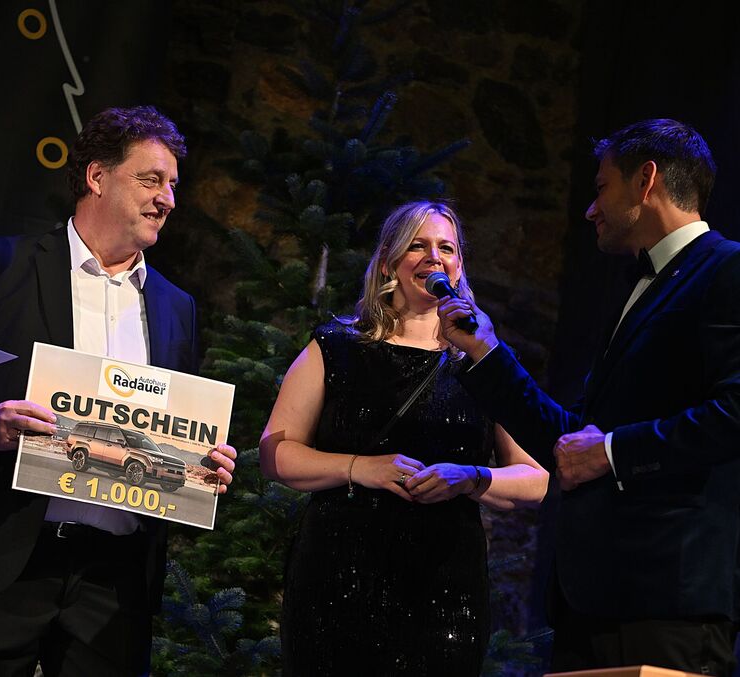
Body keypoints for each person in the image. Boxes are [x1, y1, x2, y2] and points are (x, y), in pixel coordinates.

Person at [0, 105, 237, 676]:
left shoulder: (176, 306)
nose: (167, 199)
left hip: (116, 579)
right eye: (151, 180)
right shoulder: (2, 264)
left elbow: (172, 429)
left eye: (172, 186)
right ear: (97, 177)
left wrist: (201, 464)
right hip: (4, 552)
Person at [438, 119, 740, 675]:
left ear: (645, 180)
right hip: (591, 602)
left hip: (667, 599)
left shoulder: (728, 269)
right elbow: (575, 445)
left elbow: (735, 414)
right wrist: (486, 352)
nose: (590, 209)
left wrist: (614, 451)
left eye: (601, 188)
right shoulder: (639, 288)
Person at [259, 200, 548, 675]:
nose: (434, 257)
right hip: (337, 577)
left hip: (443, 586)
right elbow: (276, 453)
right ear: (389, 263)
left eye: (446, 248)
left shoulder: (484, 360)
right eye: (418, 245)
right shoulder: (336, 346)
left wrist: (471, 477)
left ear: (459, 267)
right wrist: (360, 468)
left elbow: (535, 479)